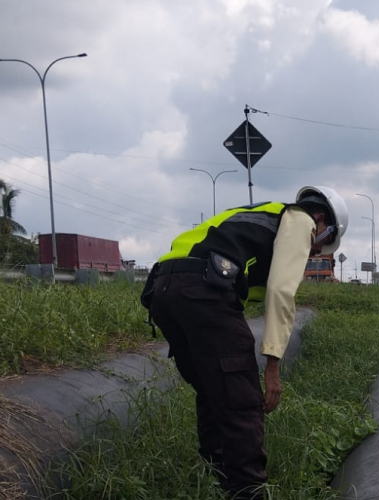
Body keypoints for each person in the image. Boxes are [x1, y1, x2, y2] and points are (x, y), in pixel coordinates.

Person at [143, 186, 348, 499]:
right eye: (319, 246)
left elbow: (257, 292)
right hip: (203, 289)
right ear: (322, 221)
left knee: (214, 390)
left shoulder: (255, 219)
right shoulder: (299, 219)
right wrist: (273, 367)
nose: (312, 254)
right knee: (241, 400)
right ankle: (248, 492)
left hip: (164, 289)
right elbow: (281, 294)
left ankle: (216, 480)